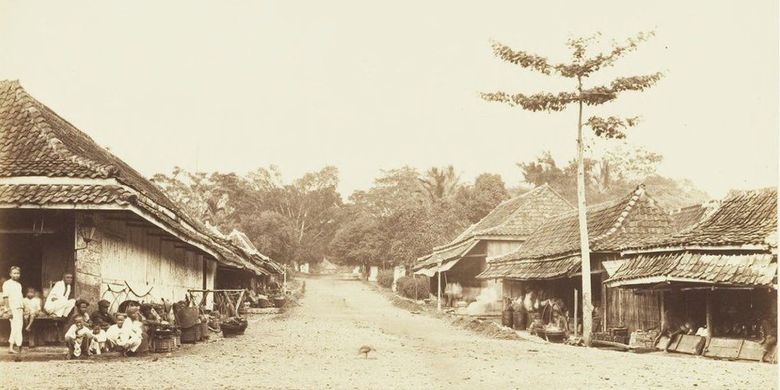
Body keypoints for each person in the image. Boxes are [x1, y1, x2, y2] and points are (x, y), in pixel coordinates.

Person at [2, 266, 24, 354]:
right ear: (10, 274)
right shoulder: (7, 284)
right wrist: (8, 310)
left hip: (19, 308)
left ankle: (14, 347)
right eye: (14, 273)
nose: (16, 275)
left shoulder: (19, 285)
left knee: (18, 327)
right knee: (15, 327)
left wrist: (23, 308)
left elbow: (20, 298)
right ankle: (16, 346)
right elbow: (5, 297)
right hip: (12, 308)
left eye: (18, 273)